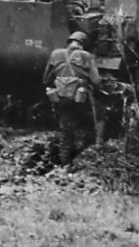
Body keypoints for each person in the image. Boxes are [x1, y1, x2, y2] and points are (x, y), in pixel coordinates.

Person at [43, 32, 103, 163]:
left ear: (69, 42)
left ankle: (64, 161)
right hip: (79, 98)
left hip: (60, 98)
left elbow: (46, 79)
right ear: (83, 44)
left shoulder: (55, 53)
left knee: (66, 129)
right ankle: (98, 146)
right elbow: (96, 81)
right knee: (101, 114)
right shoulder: (87, 56)